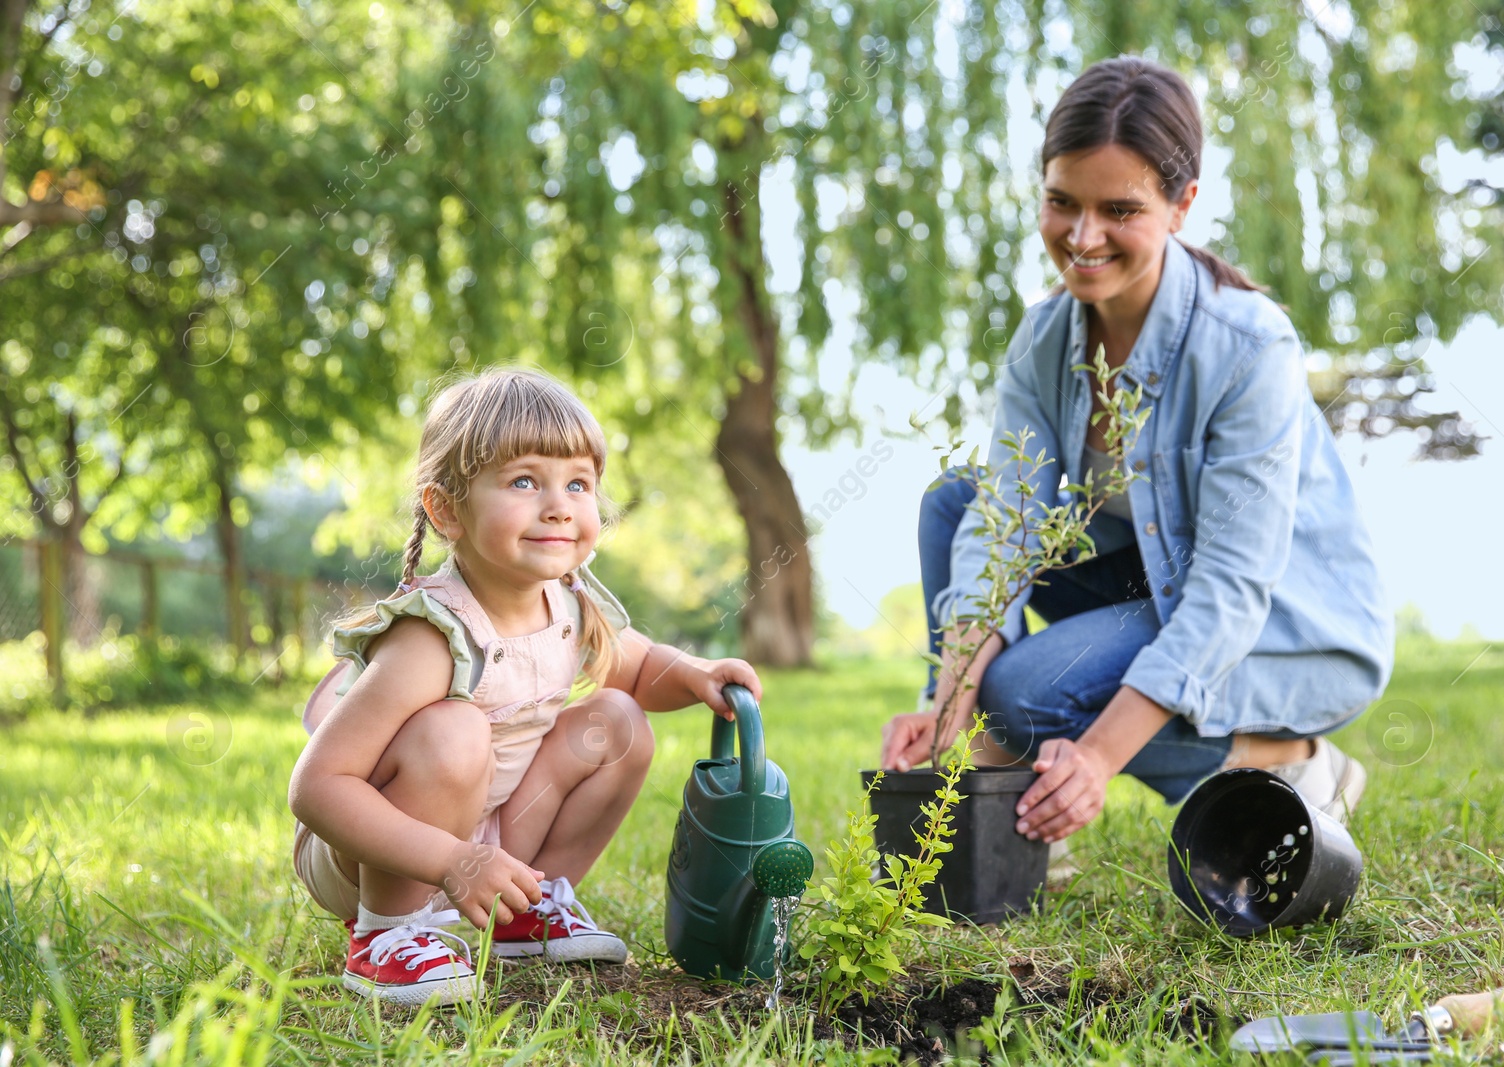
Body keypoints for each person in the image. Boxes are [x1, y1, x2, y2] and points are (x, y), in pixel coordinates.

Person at [881, 56, 1394, 849]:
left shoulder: (1247, 345)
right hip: (1151, 583)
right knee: (955, 504)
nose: (1082, 238)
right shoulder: (1043, 340)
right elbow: (1006, 523)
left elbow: (1227, 587)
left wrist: (1095, 755)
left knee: (1023, 697)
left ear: (1182, 204)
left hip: (1283, 624)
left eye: (1118, 209)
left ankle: (1288, 757)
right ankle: (997, 780)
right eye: (1061, 203)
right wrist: (947, 702)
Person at [288, 368, 761, 1006]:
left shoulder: (567, 601)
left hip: (486, 836)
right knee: (456, 729)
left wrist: (698, 676)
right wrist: (448, 861)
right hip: (375, 848)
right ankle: (387, 935)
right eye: (522, 481)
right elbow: (319, 789)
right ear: (446, 509)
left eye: (578, 483)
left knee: (617, 720)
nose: (559, 503)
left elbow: (638, 669)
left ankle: (524, 907)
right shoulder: (433, 638)